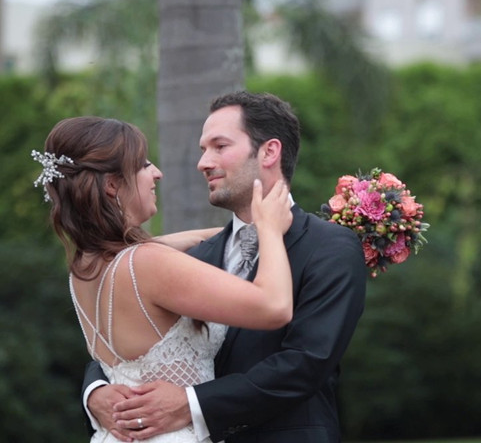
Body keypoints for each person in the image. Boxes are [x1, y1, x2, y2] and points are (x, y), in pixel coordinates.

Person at [85, 91, 368, 442]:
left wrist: (191, 404)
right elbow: (131, 332)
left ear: (269, 151)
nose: (203, 162)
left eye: (219, 146)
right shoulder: (194, 256)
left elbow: (305, 365)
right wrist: (95, 391)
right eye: (204, 149)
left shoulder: (330, 247)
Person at [33, 115, 294, 443]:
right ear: (113, 184)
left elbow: (152, 249)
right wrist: (269, 229)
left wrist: (238, 232)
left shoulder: (86, 267)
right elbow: (274, 307)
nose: (156, 172)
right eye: (143, 165)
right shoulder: (148, 264)